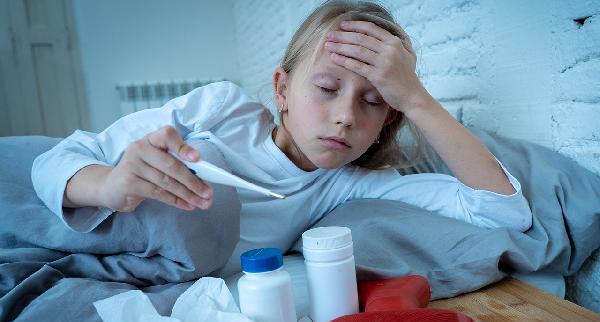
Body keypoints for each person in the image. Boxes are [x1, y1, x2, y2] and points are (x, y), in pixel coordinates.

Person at [32, 0, 531, 276]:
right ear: (282, 89)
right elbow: (60, 159)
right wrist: (109, 186)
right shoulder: (220, 110)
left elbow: (504, 209)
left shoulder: (349, 184)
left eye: (374, 101)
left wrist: (417, 99)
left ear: (389, 120)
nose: (344, 117)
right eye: (327, 88)